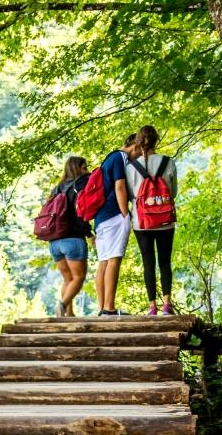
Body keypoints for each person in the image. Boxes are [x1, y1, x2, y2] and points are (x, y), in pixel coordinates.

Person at [124, 124, 179, 316]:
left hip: (142, 222)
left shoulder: (131, 167)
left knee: (148, 263)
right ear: (157, 141)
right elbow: (173, 192)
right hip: (165, 221)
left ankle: (152, 307)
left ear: (138, 143)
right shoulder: (168, 162)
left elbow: (131, 195)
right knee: (165, 262)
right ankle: (167, 305)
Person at [92, 135, 134, 315]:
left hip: (100, 217)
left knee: (104, 262)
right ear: (134, 146)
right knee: (114, 260)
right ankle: (109, 308)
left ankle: (103, 308)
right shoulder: (120, 157)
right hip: (114, 214)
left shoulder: (109, 158)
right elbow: (119, 187)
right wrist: (125, 214)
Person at [46, 156, 91, 316]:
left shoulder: (56, 189)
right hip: (73, 238)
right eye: (84, 168)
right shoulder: (80, 186)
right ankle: (63, 305)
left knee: (68, 279)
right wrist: (89, 233)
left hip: (54, 241)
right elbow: (81, 212)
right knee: (79, 277)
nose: (87, 171)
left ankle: (69, 314)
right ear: (77, 169)